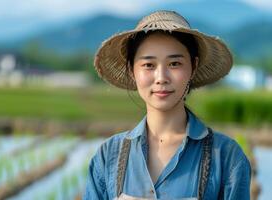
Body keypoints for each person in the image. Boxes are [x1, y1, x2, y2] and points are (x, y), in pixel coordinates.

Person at [83, 10, 251, 200]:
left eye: (174, 64)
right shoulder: (108, 156)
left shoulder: (227, 157)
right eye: (149, 65)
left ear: (193, 67)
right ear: (132, 70)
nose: (161, 78)